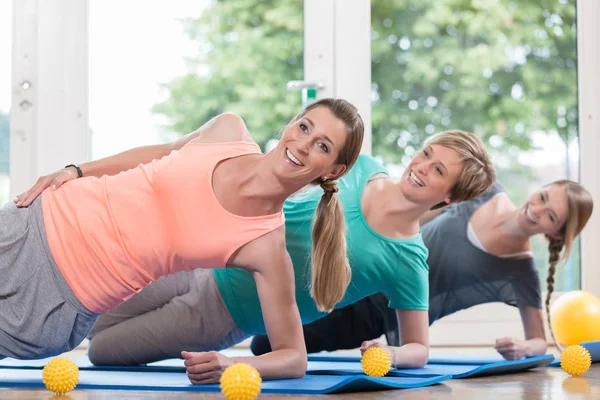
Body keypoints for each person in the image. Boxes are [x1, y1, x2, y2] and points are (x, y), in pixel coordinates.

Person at [85, 129, 495, 382]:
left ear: (450, 197)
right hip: (204, 258)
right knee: (87, 314)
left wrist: (393, 353)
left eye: (439, 171)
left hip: (223, 315)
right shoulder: (360, 166)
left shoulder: (408, 259)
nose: (421, 167)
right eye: (427, 154)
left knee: (101, 351)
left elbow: (419, 347)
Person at [9, 98, 364, 383]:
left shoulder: (266, 247)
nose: (302, 145)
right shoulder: (228, 130)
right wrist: (76, 170)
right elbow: (157, 153)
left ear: (333, 170)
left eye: (322, 145)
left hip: (62, 300)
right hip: (33, 223)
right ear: (291, 123)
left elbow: (293, 357)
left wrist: (232, 364)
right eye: (304, 127)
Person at [250, 180, 593, 361]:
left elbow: (538, 341)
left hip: (377, 313)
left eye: (551, 216)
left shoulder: (520, 272)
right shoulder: (486, 189)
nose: (537, 209)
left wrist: (522, 349)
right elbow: (413, 213)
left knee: (263, 345)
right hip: (358, 267)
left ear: (556, 233)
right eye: (545, 196)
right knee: (257, 307)